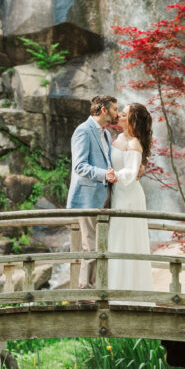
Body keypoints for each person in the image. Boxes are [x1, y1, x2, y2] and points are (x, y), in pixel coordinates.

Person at [67, 95, 118, 289]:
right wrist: (104, 174)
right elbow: (79, 166)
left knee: (102, 244)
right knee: (91, 244)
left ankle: (97, 288)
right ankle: (85, 292)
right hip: (88, 197)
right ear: (103, 110)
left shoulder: (106, 134)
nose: (117, 113)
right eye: (114, 109)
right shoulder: (83, 131)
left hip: (106, 195)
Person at [107, 103, 155, 294]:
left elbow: (130, 171)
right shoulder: (119, 137)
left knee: (125, 239)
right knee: (116, 239)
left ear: (132, 121)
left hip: (128, 195)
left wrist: (115, 175)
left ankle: (126, 292)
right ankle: (113, 288)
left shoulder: (134, 143)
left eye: (124, 115)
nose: (119, 115)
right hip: (119, 192)